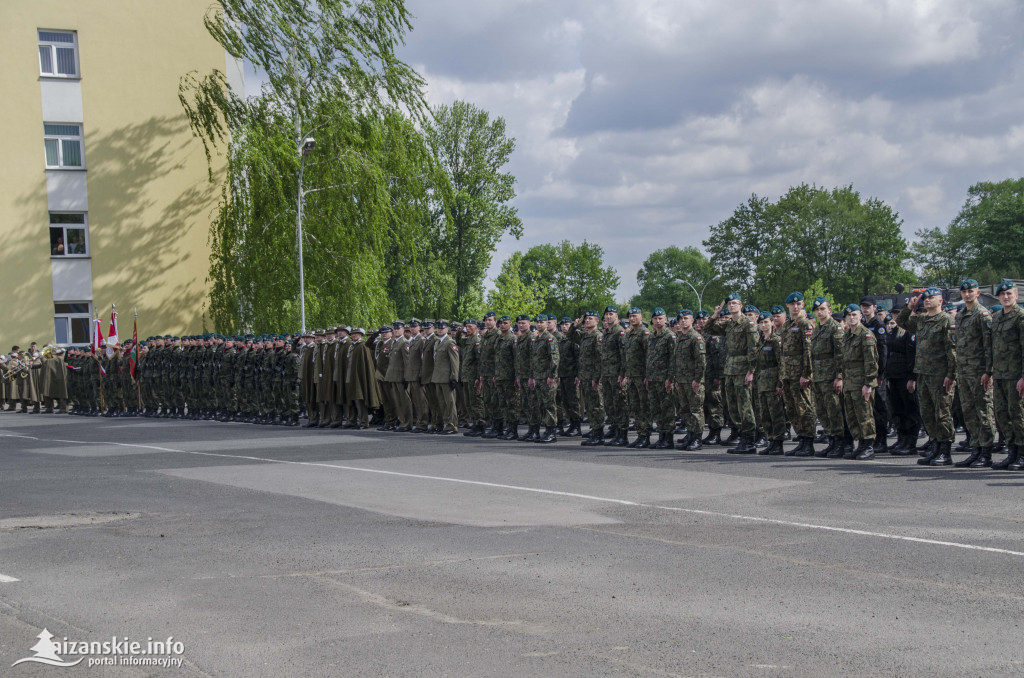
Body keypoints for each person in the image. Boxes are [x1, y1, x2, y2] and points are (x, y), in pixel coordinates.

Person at [896, 287, 957, 466]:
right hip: (922, 373)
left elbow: (952, 351)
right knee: (927, 412)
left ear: (941, 301)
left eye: (932, 297)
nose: (928, 300)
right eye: (926, 298)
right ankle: (935, 446)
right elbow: (901, 321)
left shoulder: (947, 321)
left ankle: (945, 451)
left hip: (940, 375)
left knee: (942, 413)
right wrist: (910, 307)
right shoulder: (922, 320)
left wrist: (951, 375)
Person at [705, 294, 759, 454]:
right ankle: (741, 436)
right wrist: (716, 313)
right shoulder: (729, 324)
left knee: (745, 405)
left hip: (743, 369)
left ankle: (749, 440)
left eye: (735, 303)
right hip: (729, 369)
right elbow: (708, 329)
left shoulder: (748, 323)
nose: (732, 306)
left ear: (741, 305)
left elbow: (753, 348)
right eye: (729, 304)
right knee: (732, 405)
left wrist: (751, 371)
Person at [952, 280, 997, 468]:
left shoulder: (983, 315)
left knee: (984, 411)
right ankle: (975, 449)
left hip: (979, 372)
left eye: (971, 291)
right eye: (964, 291)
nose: (967, 294)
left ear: (978, 292)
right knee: (969, 412)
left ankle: (986, 452)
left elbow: (989, 345)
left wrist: (989, 371)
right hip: (963, 371)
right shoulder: (961, 315)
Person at [989, 281, 1024, 470]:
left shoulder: (1020, 317)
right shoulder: (998, 318)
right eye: (1002, 295)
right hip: (1000, 375)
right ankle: (1012, 452)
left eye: (1009, 294)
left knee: (1018, 415)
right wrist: (989, 371)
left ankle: (1022, 453)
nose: (1006, 297)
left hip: (1016, 376)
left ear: (1016, 295)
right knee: (1002, 415)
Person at [779, 292, 817, 456]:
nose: (795, 307)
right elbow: (783, 353)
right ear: (787, 306)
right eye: (792, 304)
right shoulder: (787, 325)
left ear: (802, 305)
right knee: (792, 409)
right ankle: (801, 439)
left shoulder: (805, 324)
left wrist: (807, 374)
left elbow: (808, 351)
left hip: (799, 374)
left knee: (804, 408)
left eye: (798, 304)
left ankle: (808, 441)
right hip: (787, 374)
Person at [840, 305, 879, 460]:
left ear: (860, 316)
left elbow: (871, 361)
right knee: (852, 416)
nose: (851, 318)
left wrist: (869, 383)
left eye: (854, 314)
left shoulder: (865, 335)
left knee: (865, 415)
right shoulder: (847, 335)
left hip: (862, 382)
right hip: (850, 382)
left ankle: (868, 446)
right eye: (848, 315)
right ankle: (861, 444)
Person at [885, 311, 921, 455]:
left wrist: (912, 378)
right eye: (893, 314)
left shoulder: (909, 333)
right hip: (893, 375)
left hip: (905, 376)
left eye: (897, 314)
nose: (895, 316)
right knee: (897, 410)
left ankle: (910, 442)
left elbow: (912, 354)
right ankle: (902, 439)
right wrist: (888, 376)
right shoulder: (893, 331)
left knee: (910, 410)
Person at [672, 310, 706, 451]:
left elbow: (701, 362)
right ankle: (690, 435)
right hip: (682, 380)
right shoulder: (680, 338)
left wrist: (697, 380)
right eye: (681, 319)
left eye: (686, 318)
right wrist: (677, 379)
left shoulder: (695, 338)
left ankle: (697, 439)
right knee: (685, 410)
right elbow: (677, 361)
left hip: (693, 381)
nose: (683, 321)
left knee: (696, 410)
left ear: (692, 321)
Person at [860, 297, 890, 453]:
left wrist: (880, 374)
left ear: (874, 307)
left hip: (877, 375)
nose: (865, 309)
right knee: (869, 409)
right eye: (863, 307)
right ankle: (873, 439)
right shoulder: (864, 325)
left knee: (879, 408)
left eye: (868, 307)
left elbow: (883, 351)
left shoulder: (878, 325)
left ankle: (882, 440)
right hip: (866, 374)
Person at [753, 312, 785, 455]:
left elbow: (781, 363)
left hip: (773, 381)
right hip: (762, 381)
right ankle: (770, 440)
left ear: (772, 323)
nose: (764, 325)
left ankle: (778, 442)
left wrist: (780, 383)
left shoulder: (776, 340)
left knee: (775, 413)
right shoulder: (760, 341)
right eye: (761, 323)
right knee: (764, 413)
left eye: (766, 322)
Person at [645, 308, 675, 449]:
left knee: (667, 409)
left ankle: (668, 438)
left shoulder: (669, 336)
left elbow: (673, 359)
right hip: (652, 378)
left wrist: (670, 378)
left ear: (666, 320)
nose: (657, 321)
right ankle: (661, 436)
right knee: (656, 409)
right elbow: (649, 358)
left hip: (664, 379)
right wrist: (647, 376)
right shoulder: (651, 337)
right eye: (655, 318)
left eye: (660, 318)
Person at [575, 311, 606, 446]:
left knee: (596, 406)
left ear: (597, 321)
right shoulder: (585, 336)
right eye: (586, 319)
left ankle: (599, 434)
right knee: (590, 405)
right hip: (585, 376)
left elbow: (600, 359)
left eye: (590, 319)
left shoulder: (597, 336)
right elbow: (571, 336)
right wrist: (574, 326)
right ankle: (594, 430)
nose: (587, 321)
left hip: (594, 377)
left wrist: (596, 377)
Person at [622, 307, 651, 448]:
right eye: (630, 316)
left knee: (643, 406)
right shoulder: (629, 334)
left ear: (641, 317)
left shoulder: (644, 333)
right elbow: (627, 357)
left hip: (641, 376)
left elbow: (648, 356)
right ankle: (640, 434)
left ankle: (645, 435)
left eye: (635, 316)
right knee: (635, 406)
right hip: (632, 376)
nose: (632, 318)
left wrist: (647, 375)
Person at [601, 306, 628, 447]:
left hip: (617, 375)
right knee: (610, 405)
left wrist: (623, 374)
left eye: (611, 314)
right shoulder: (607, 333)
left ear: (616, 317)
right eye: (606, 315)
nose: (608, 317)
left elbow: (624, 356)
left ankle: (622, 435)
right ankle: (616, 430)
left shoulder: (619, 333)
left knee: (620, 405)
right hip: (607, 374)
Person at [345, 328, 382, 428]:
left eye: (357, 334)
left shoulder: (362, 346)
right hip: (351, 376)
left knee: (360, 400)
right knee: (353, 400)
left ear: (361, 335)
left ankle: (364, 422)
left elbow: (365, 364)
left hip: (359, 377)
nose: (354, 335)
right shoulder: (353, 345)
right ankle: (353, 420)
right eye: (353, 334)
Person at [430, 320, 460, 434]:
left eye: (443, 328)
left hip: (447, 378)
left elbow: (455, 362)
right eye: (439, 328)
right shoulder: (438, 343)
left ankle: (452, 425)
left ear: (447, 329)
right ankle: (446, 423)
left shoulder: (450, 342)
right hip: (438, 377)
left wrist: (454, 377)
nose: (440, 330)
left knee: (450, 403)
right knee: (442, 403)